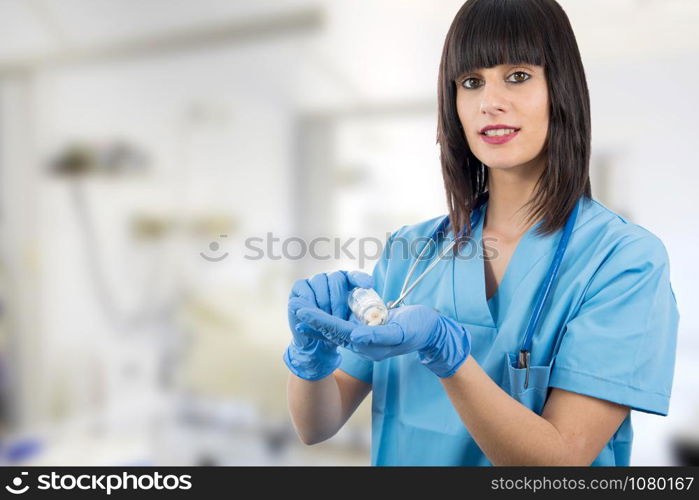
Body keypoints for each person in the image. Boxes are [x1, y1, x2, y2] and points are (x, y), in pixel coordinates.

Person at [283, 0, 680, 466]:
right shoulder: (410, 253)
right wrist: (310, 356)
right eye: (471, 82)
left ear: (562, 89)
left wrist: (447, 356)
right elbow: (316, 426)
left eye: (517, 76)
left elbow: (561, 463)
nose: (490, 102)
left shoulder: (622, 260)